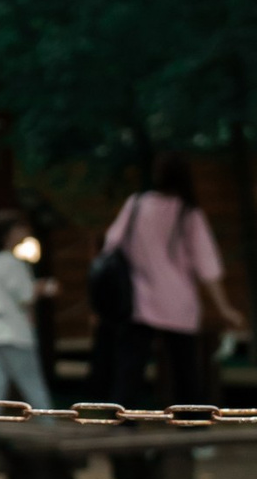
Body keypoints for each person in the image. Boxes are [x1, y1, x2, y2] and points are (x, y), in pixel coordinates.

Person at [102, 150, 247, 404]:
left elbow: (111, 243)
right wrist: (224, 307)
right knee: (185, 370)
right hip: (179, 302)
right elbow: (207, 265)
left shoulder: (136, 205)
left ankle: (122, 425)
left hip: (139, 298)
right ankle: (192, 426)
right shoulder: (188, 213)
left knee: (130, 368)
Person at [0, 209, 55, 411]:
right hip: (13, 334)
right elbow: (25, 295)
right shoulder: (11, 262)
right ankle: (49, 427)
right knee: (32, 383)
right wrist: (45, 287)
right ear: (7, 234)